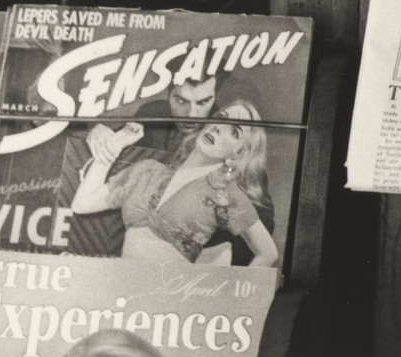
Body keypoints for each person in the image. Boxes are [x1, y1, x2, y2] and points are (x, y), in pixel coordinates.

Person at [71, 101, 279, 268]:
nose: (218, 127)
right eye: (220, 119)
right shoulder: (147, 170)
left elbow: (268, 253)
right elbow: (82, 204)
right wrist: (115, 145)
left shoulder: (224, 193)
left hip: (168, 303)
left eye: (234, 132)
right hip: (125, 294)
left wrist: (230, 298)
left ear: (240, 153)